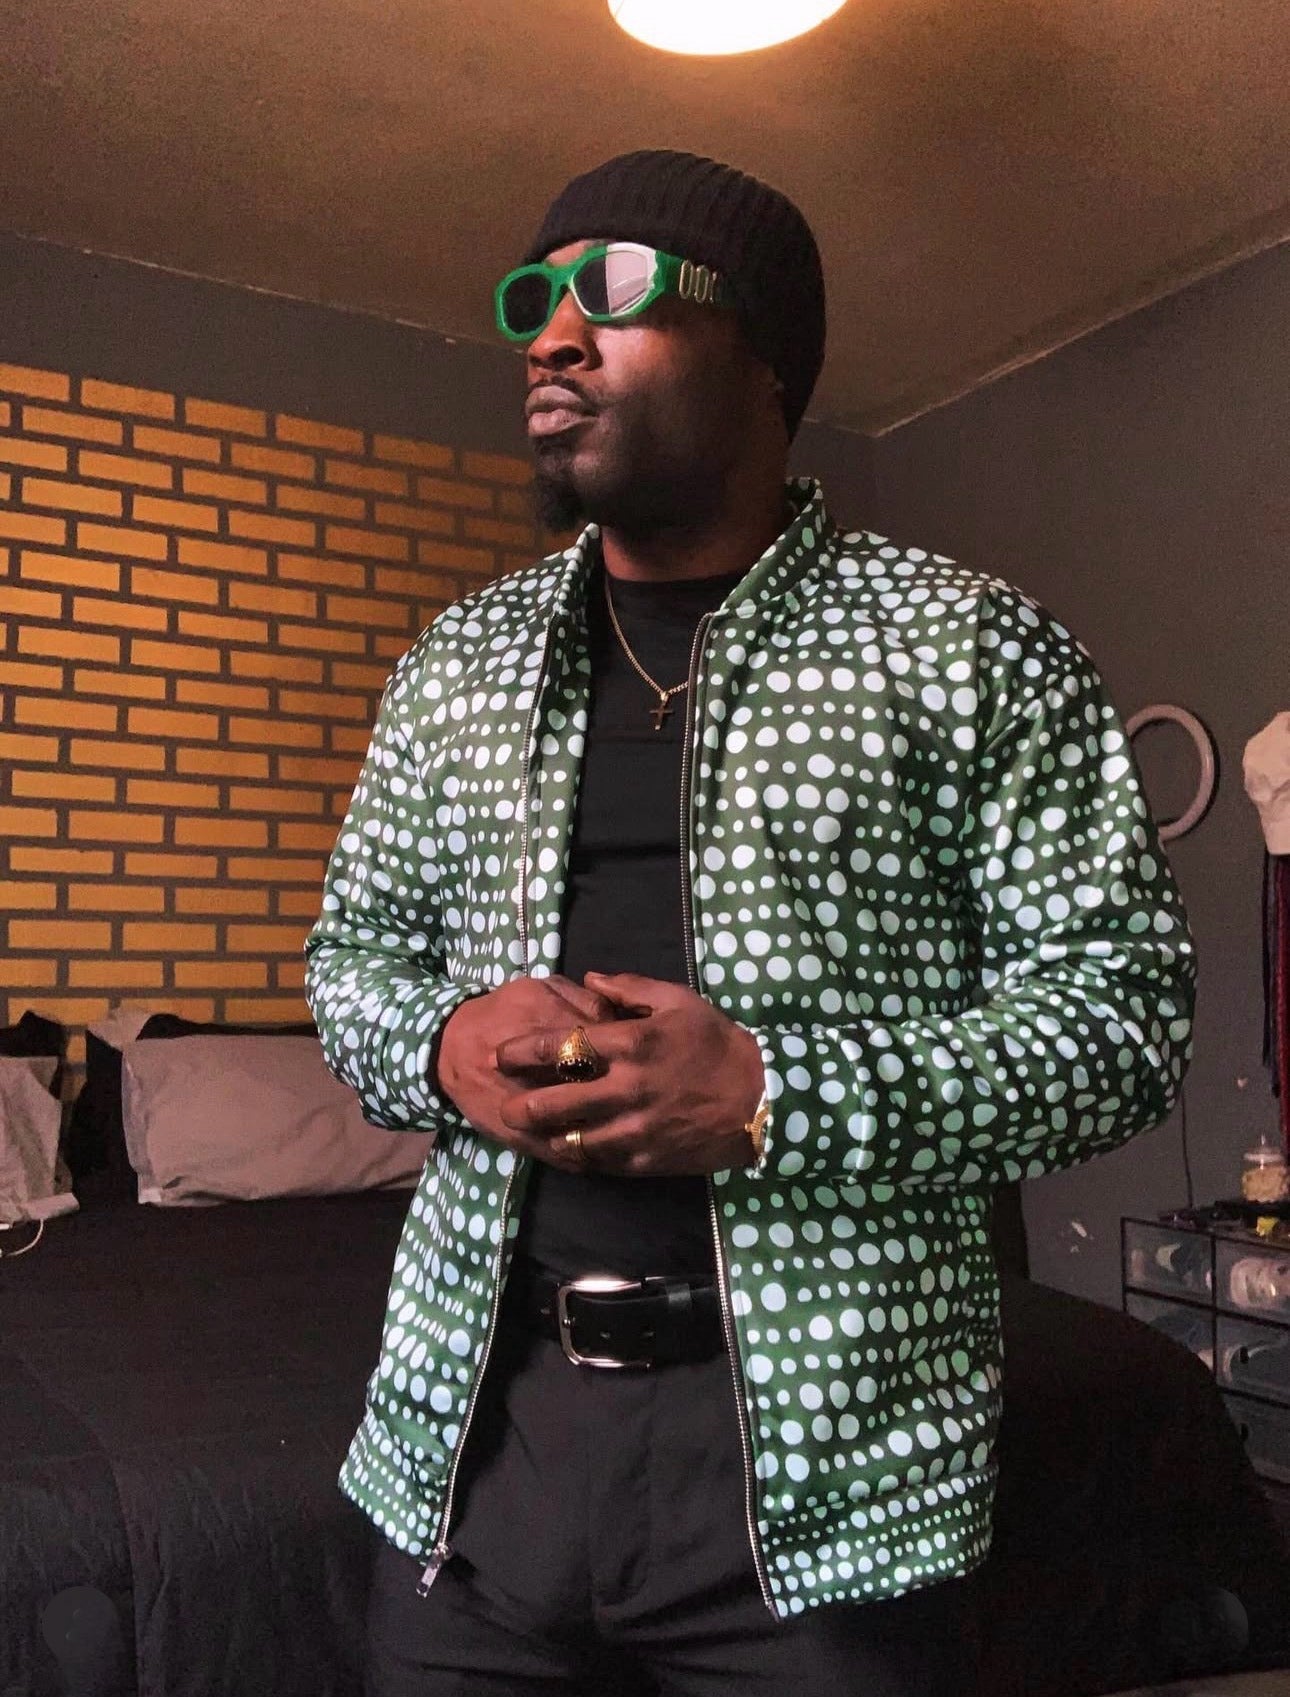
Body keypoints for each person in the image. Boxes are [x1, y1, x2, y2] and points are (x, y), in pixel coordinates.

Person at [305, 150, 1196, 1695]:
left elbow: (1120, 1026)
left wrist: (775, 1093)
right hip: (476, 1461)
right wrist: (441, 1041)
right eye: (534, 300)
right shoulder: (453, 664)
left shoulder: (969, 646)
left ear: (766, 352)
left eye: (614, 291)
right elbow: (349, 964)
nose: (552, 337)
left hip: (838, 1481)